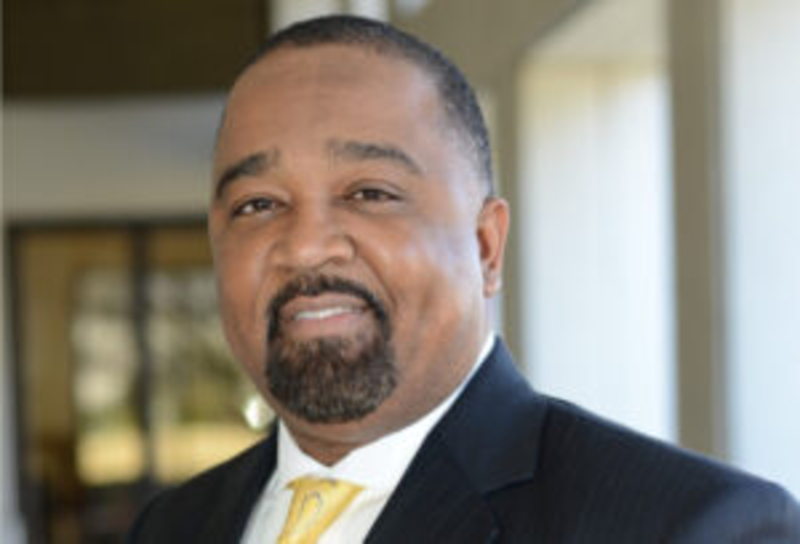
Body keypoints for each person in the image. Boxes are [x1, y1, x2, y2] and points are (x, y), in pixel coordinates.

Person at [127, 14, 800, 543]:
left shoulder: (686, 527)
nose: (305, 247)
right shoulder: (172, 527)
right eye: (257, 205)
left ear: (485, 246)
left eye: (369, 193)